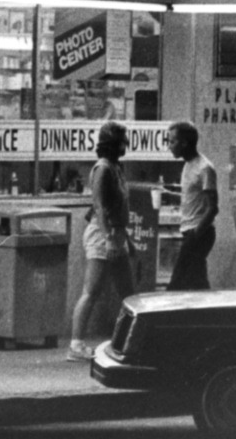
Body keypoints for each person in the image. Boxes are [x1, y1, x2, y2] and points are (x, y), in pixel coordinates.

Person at [67, 120, 134, 361]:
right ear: (112, 144)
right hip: (102, 233)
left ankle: (128, 340)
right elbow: (99, 206)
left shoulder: (117, 167)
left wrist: (125, 238)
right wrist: (108, 239)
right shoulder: (103, 169)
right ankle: (76, 344)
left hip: (117, 233)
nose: (126, 145)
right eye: (123, 141)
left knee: (128, 293)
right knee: (92, 290)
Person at [163, 120, 218, 291]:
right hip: (189, 231)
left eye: (172, 141)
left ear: (184, 143)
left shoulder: (204, 168)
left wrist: (196, 234)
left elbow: (213, 208)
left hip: (199, 232)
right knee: (196, 280)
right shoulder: (187, 165)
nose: (169, 146)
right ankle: (209, 314)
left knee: (177, 280)